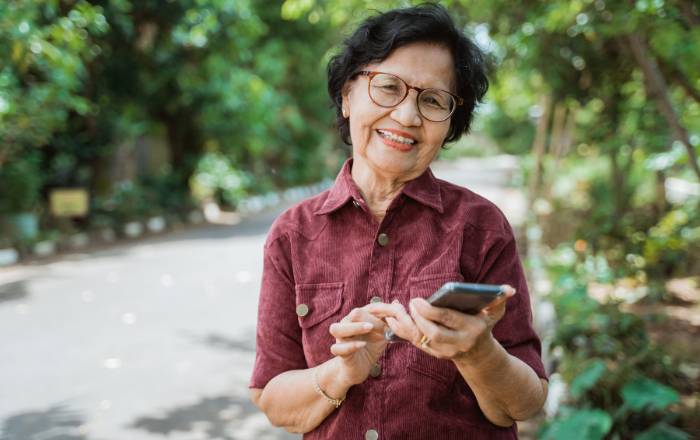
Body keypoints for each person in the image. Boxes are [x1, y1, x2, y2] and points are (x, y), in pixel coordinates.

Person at [249, 4, 547, 439]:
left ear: (450, 125)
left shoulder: (481, 227)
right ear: (348, 96)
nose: (407, 117)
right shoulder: (293, 234)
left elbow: (526, 402)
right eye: (388, 87)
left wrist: (478, 352)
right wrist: (343, 370)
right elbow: (273, 399)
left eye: (432, 101)